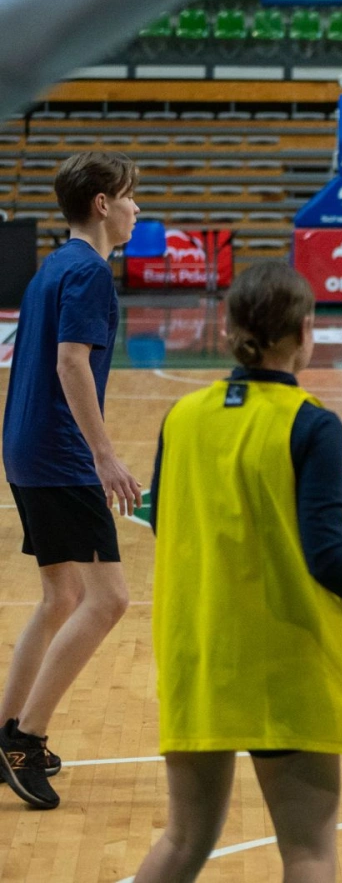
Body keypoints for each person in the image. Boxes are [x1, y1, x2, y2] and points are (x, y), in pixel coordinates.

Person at [131, 262, 342, 882]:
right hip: (285, 662)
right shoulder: (311, 422)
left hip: (201, 654)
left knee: (183, 841)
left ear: (228, 328)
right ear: (306, 330)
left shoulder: (182, 415)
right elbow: (327, 555)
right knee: (308, 853)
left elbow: (165, 524)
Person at [0, 151, 143, 810]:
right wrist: (104, 456)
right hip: (59, 455)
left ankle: (5, 728)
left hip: (26, 448)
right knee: (108, 600)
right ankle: (25, 740)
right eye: (130, 196)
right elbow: (69, 363)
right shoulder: (87, 271)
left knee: (61, 596)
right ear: (103, 204)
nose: (138, 207)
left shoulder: (53, 266)